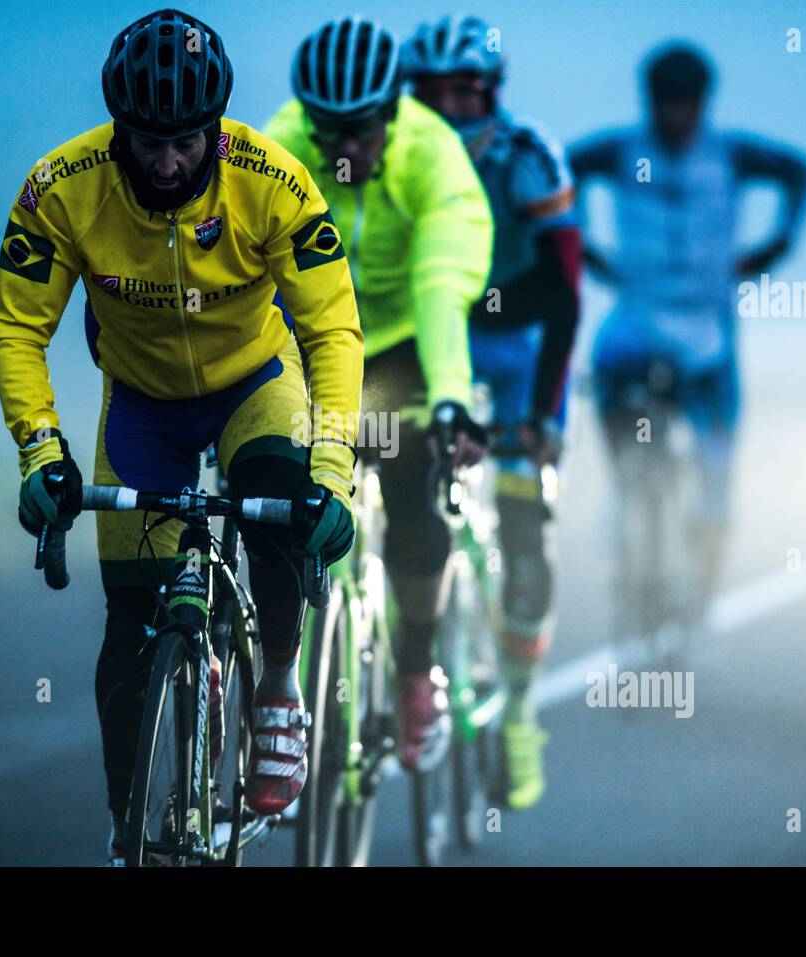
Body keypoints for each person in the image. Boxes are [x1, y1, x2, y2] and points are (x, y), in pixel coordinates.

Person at [0, 8, 364, 864]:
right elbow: (17, 328)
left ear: (214, 129)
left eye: (186, 142)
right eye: (147, 141)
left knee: (277, 507)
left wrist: (331, 472)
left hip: (254, 387)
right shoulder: (61, 187)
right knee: (128, 627)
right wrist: (42, 452)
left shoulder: (273, 181)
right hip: (144, 402)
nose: (166, 161)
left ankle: (275, 685)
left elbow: (334, 329)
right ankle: (127, 828)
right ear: (118, 128)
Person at [265, 16, 493, 773]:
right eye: (326, 130)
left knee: (411, 493)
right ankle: (285, 683)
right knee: (279, 489)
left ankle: (413, 668)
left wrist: (453, 398)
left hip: (402, 343)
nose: (343, 149)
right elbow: (250, 269)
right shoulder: (284, 142)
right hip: (312, 335)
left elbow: (440, 288)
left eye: (359, 130)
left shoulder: (435, 158)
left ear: (392, 113)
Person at [569, 42, 806, 642]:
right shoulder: (621, 152)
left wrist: (776, 246)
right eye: (665, 103)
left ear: (704, 103)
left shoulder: (732, 154)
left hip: (708, 327)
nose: (676, 116)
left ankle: (701, 594)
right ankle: (626, 496)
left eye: (687, 103)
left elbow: (801, 172)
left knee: (714, 472)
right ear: (648, 101)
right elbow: (559, 169)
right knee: (608, 383)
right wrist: (582, 246)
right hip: (638, 318)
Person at [404, 13, 584, 811]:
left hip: (519, 354)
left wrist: (542, 417)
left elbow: (568, 296)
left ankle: (516, 708)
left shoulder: (528, 156)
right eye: (432, 94)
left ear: (493, 94)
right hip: (426, 340)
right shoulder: (391, 154)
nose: (448, 109)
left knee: (521, 523)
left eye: (464, 93)